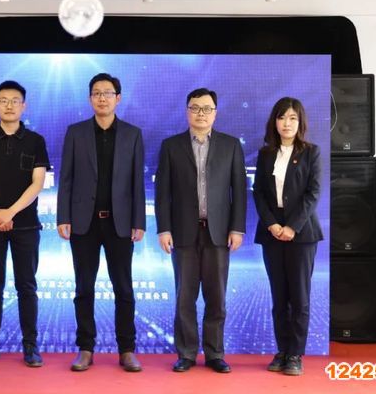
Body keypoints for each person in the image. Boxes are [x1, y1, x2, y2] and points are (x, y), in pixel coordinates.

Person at [57, 73, 145, 373]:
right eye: (96, 93)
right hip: (84, 223)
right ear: (90, 98)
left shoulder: (132, 134)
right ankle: (85, 348)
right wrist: (63, 216)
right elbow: (66, 178)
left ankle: (127, 349)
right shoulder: (76, 133)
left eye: (108, 93)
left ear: (118, 98)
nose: (102, 98)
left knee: (124, 288)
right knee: (84, 287)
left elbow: (137, 182)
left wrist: (138, 220)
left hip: (120, 223)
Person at [154, 88, 246, 374]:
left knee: (216, 297)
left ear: (215, 113)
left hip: (218, 232)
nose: (201, 114)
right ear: (187, 112)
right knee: (185, 297)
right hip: (183, 232)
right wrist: (163, 229)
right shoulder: (171, 146)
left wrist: (237, 228)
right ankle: (187, 353)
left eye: (207, 108)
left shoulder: (231, 145)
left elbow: (239, 191)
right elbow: (162, 192)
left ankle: (215, 353)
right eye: (195, 108)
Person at [0, 80, 50, 368]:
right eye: (4, 100)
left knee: (27, 286)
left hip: (25, 225)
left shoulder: (36, 141)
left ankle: (30, 346)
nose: (9, 105)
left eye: (15, 100)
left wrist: (10, 213)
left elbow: (37, 184)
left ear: (23, 106)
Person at [253, 97, 322, 377]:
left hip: (302, 233)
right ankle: (282, 351)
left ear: (300, 122)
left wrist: (292, 226)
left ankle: (295, 354)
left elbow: (313, 193)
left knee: (299, 297)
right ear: (274, 121)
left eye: (293, 118)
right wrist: (271, 224)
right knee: (279, 297)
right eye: (282, 117)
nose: (287, 123)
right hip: (272, 233)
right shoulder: (265, 154)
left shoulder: (311, 152)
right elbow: (258, 192)